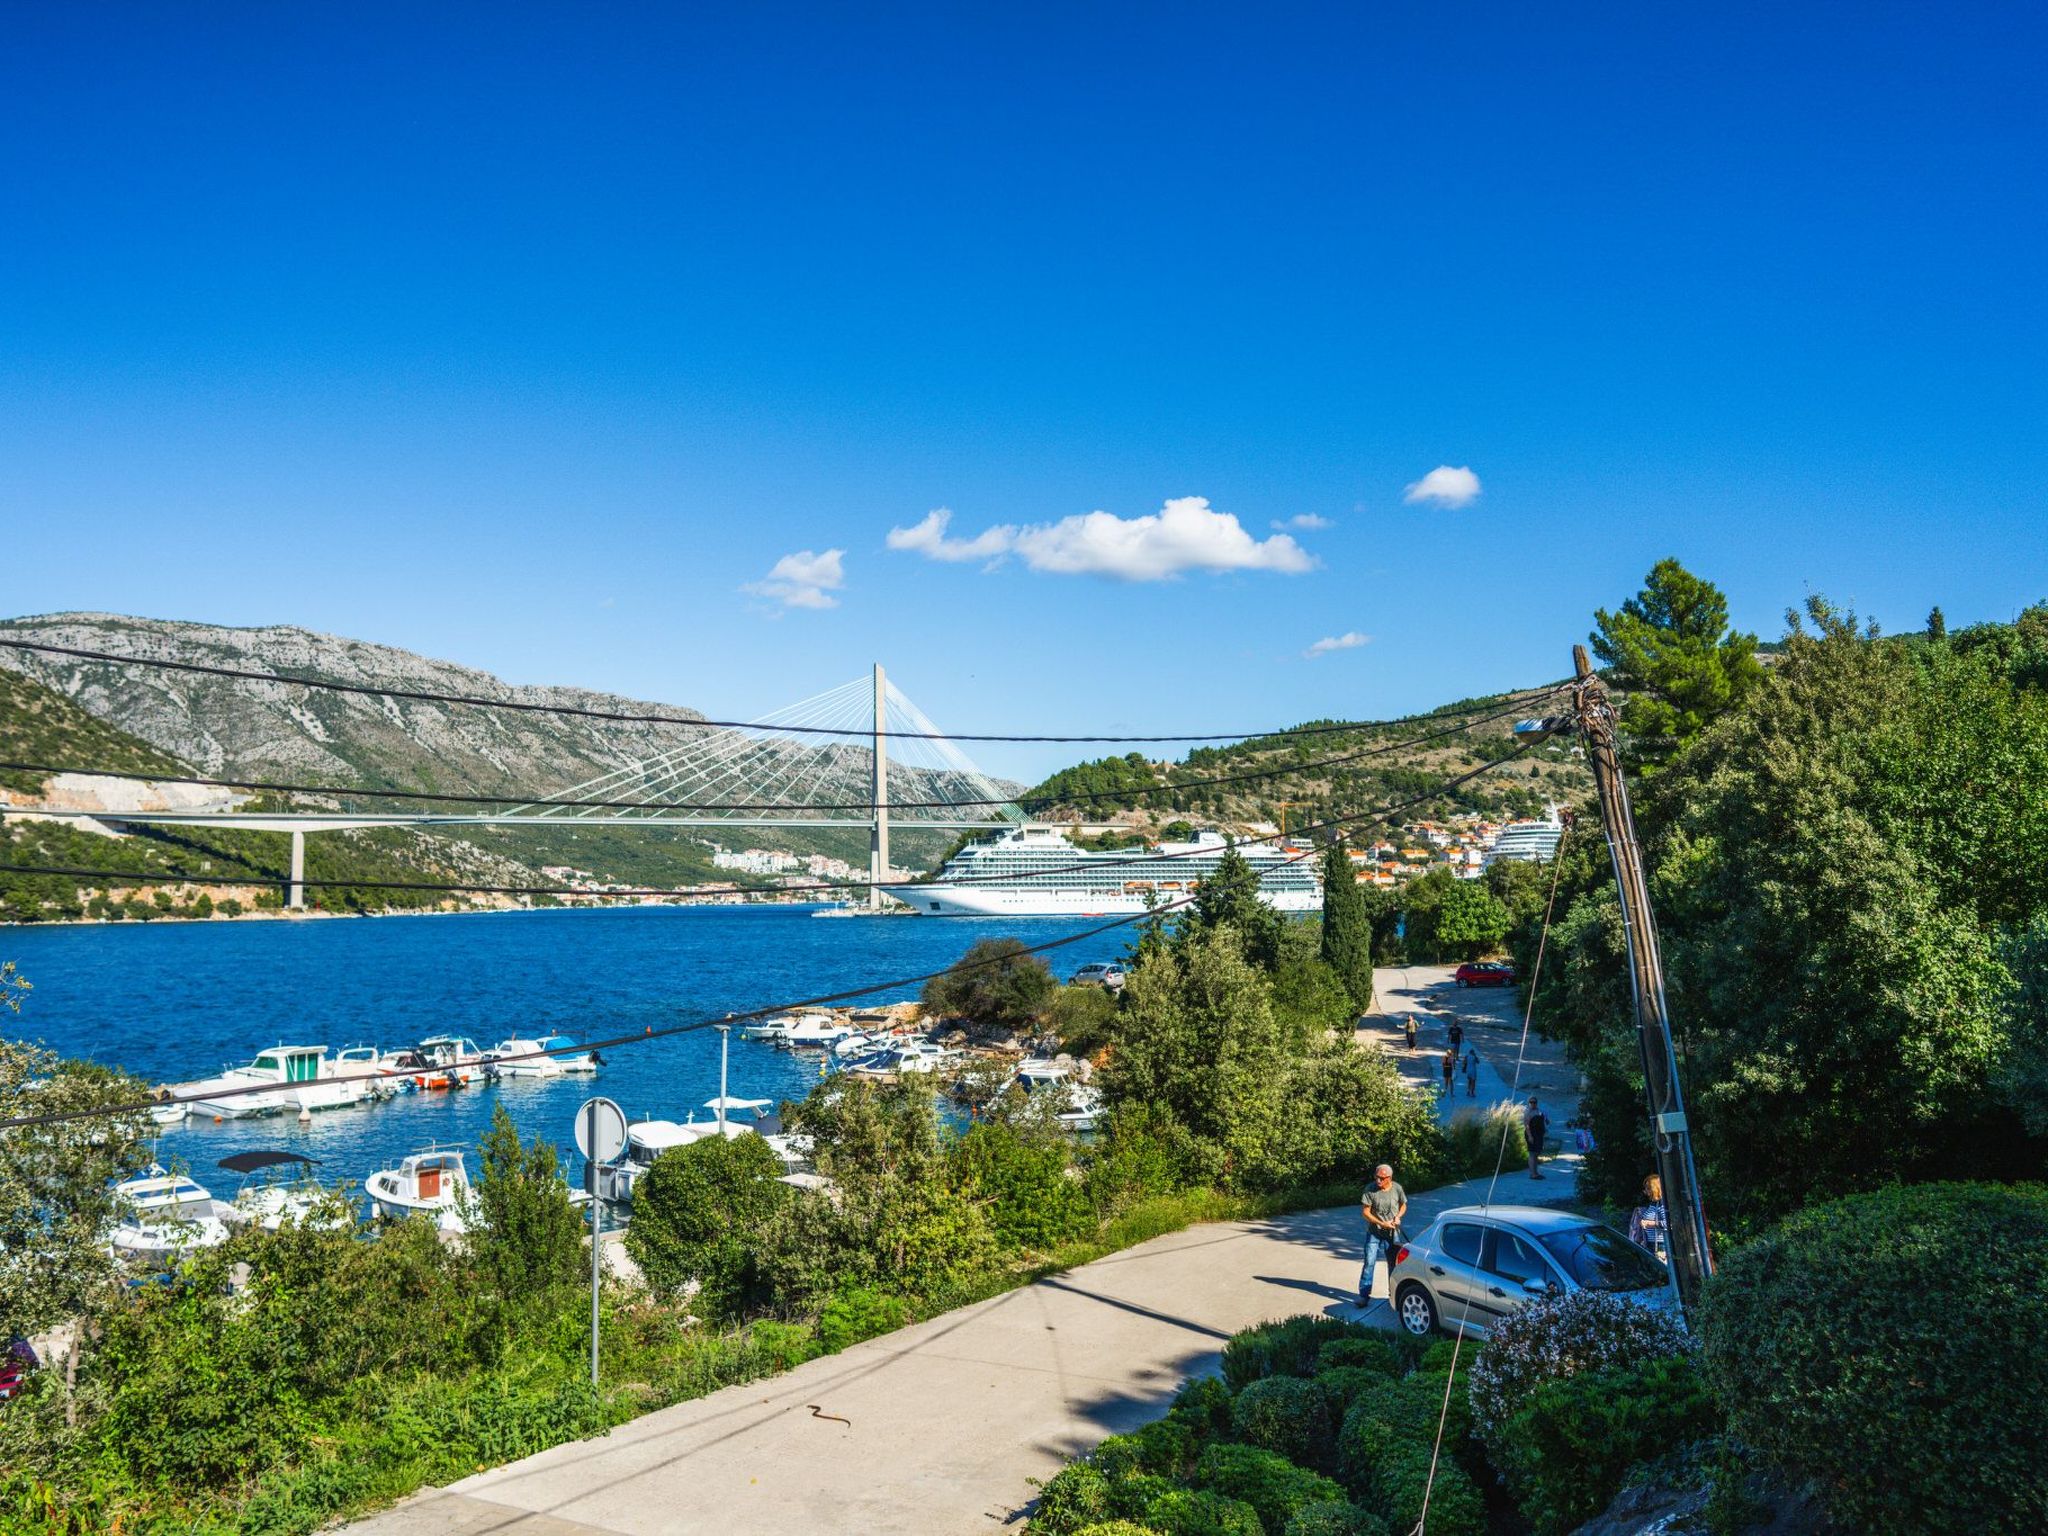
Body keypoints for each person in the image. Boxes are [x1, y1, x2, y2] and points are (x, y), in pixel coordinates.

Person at [1358, 1163, 1407, 1307]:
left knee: (1393, 1264)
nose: (1378, 1180)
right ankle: (1364, 1296)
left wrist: (1398, 1217)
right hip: (1374, 1233)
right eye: (1376, 1177)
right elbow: (1365, 1212)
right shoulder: (1370, 1189)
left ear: (1389, 1178)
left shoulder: (1397, 1188)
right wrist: (1381, 1223)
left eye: (1382, 1178)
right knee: (1369, 1263)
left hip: (1392, 1233)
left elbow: (1403, 1205)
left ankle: (1392, 1295)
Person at [1628, 1174, 1669, 1264]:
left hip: (1661, 1245)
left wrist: (1649, 1223)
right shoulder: (1654, 1203)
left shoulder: (1662, 1203)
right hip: (1651, 1244)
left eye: (1648, 1188)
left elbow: (1668, 1224)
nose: (1645, 1191)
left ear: (1655, 1188)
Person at [1523, 1096, 1549, 1179]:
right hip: (1531, 1134)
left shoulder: (1539, 1111)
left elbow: (1545, 1121)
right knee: (1532, 1153)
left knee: (1537, 1153)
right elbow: (1526, 1126)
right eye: (1531, 1102)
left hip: (1539, 1134)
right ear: (1528, 1103)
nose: (1533, 1104)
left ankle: (1536, 1172)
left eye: (1534, 1102)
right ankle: (1532, 1174)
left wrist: (1546, 1120)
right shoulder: (1527, 1112)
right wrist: (1530, 1136)